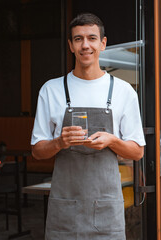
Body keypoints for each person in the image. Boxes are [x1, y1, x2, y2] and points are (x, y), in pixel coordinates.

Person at [31, 13, 145, 239]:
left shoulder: (123, 91)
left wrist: (112, 140)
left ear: (103, 44)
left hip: (106, 208)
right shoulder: (51, 90)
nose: (85, 45)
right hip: (65, 207)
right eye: (78, 39)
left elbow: (137, 151)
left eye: (92, 38)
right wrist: (59, 142)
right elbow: (37, 151)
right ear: (70, 46)